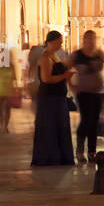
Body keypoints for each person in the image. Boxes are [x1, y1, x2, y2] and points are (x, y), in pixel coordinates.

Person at [31, 30, 75, 165]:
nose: (61, 44)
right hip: (49, 98)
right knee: (50, 127)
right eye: (59, 41)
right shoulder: (45, 58)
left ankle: (60, 156)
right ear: (52, 41)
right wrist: (65, 76)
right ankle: (49, 157)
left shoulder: (55, 56)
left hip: (58, 97)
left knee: (60, 127)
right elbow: (47, 79)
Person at [70, 30, 104, 163]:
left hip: (98, 93)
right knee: (86, 120)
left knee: (94, 121)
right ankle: (80, 151)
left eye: (94, 39)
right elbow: (66, 69)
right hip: (84, 93)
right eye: (89, 39)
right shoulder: (77, 55)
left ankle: (92, 152)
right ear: (84, 40)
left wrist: (101, 52)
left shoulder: (98, 53)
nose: (91, 41)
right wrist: (72, 86)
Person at [0, 42, 16, 133]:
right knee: (0, 109)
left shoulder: (9, 65)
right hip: (0, 88)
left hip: (5, 89)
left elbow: (14, 78)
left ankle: (4, 126)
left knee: (5, 108)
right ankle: (2, 125)